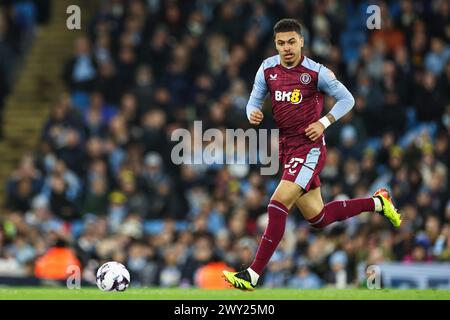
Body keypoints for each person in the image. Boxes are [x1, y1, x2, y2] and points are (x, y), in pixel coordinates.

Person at [222, 19, 402, 291]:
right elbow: (253, 101)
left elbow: (348, 99)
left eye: (292, 41)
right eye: (281, 43)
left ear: (302, 41)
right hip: (287, 149)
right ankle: (378, 203)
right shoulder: (267, 69)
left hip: (310, 149)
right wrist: (252, 113)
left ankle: (253, 274)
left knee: (277, 203)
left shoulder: (316, 72)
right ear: (275, 44)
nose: (287, 48)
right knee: (318, 218)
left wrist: (324, 122)